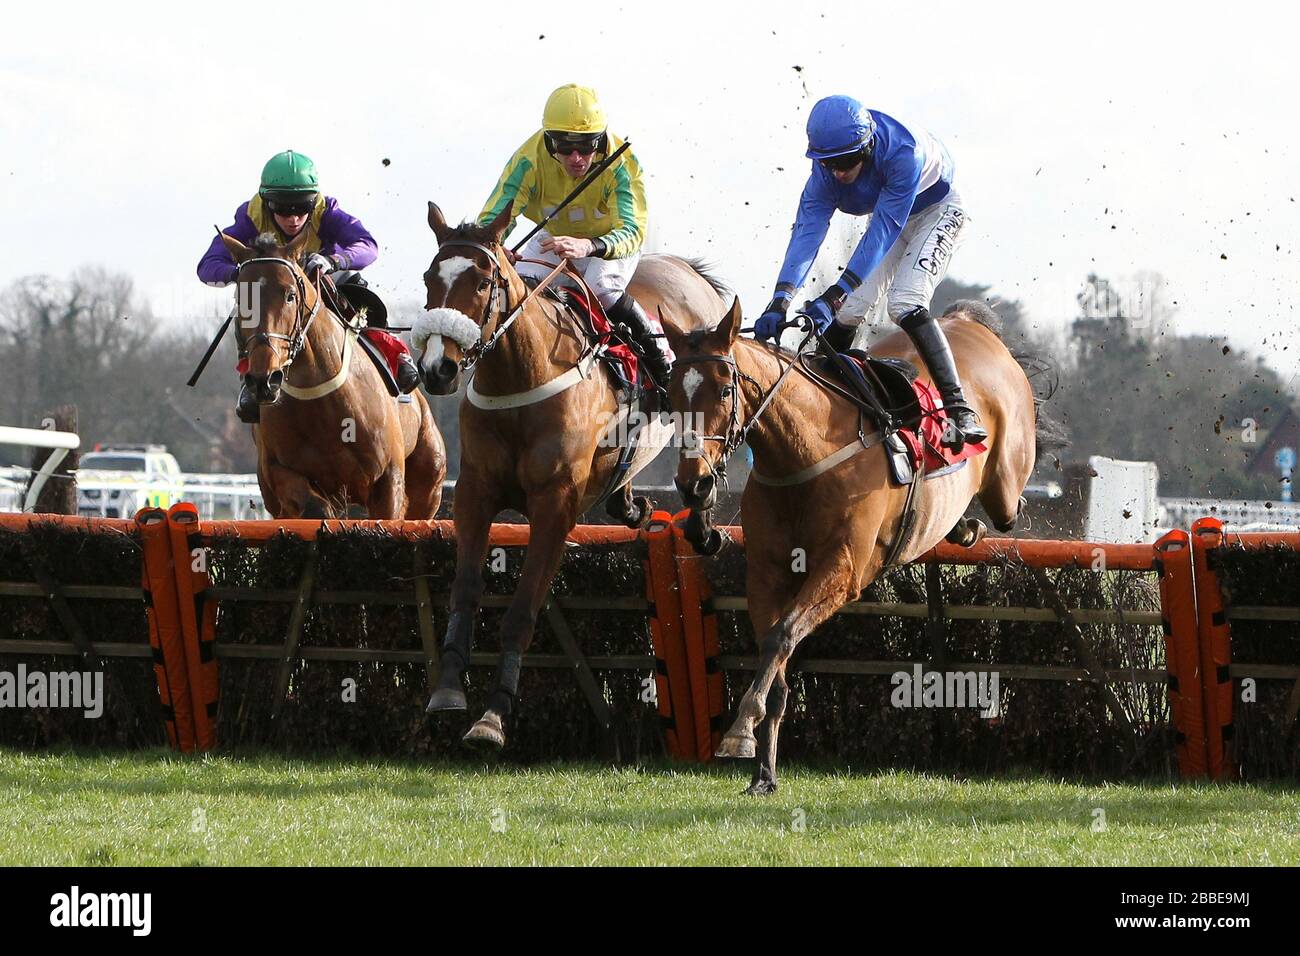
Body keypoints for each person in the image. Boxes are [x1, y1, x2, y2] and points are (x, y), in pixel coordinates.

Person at [754, 95, 986, 449]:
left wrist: (834, 293)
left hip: (938, 213)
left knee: (904, 302)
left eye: (846, 162)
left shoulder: (903, 154)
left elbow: (883, 231)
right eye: (828, 163)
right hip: (890, 219)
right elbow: (806, 234)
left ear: (868, 146)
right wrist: (780, 300)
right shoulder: (824, 176)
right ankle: (825, 397)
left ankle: (959, 408)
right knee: (849, 311)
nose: (838, 172)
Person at [478, 84, 673, 395]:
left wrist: (590, 246)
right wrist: (497, 247)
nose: (577, 158)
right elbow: (494, 218)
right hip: (554, 236)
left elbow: (634, 231)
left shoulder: (623, 164)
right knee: (518, 290)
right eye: (565, 148)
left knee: (601, 289)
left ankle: (659, 357)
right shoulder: (528, 160)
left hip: (610, 241)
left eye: (587, 146)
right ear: (548, 141)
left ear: (601, 139)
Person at [197, 149, 419, 422]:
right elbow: (207, 266)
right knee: (252, 305)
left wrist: (334, 261)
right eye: (282, 209)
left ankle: (395, 354)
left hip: (323, 282)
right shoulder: (250, 217)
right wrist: (240, 272)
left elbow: (368, 246)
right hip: (277, 295)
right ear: (267, 203)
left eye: (302, 207)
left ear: (313, 201)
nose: (294, 218)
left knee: (356, 290)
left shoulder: (328, 211)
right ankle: (250, 378)